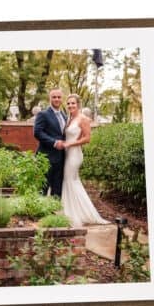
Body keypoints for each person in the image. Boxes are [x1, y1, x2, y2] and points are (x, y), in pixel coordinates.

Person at [60, 94, 109, 227]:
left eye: (73, 103)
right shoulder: (70, 118)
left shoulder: (83, 119)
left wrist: (70, 144)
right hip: (67, 153)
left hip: (75, 154)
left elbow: (87, 138)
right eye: (68, 103)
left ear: (78, 104)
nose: (70, 105)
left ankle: (72, 214)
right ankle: (73, 211)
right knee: (71, 181)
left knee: (69, 181)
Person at [33, 89, 68, 198]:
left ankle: (55, 211)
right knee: (42, 187)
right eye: (54, 97)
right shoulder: (43, 114)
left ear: (62, 99)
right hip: (46, 157)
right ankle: (40, 212)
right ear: (50, 99)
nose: (57, 99)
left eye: (59, 97)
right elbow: (37, 132)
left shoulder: (64, 115)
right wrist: (54, 142)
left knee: (57, 188)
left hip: (61, 157)